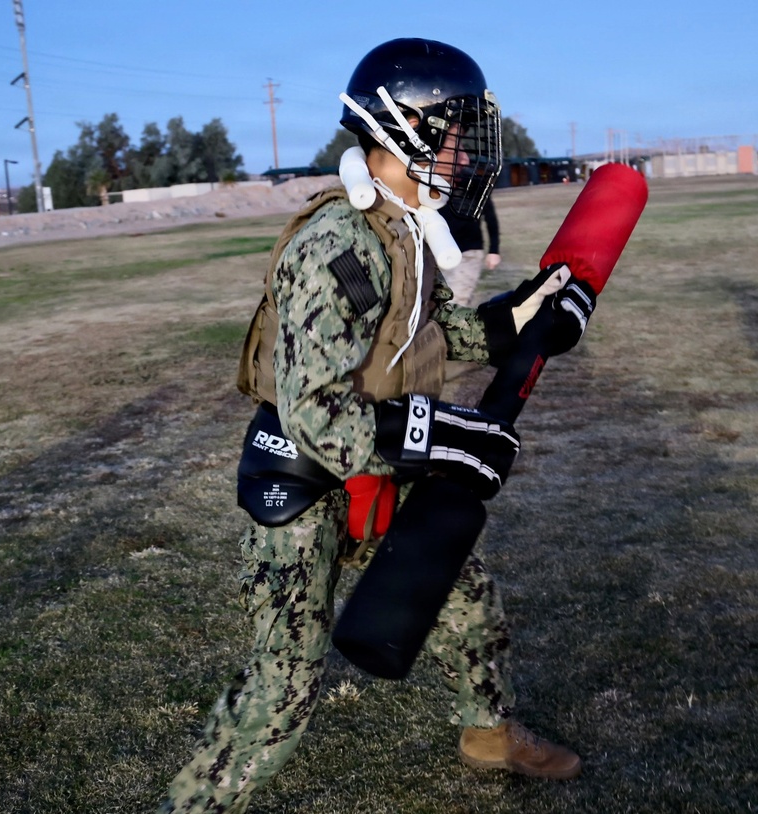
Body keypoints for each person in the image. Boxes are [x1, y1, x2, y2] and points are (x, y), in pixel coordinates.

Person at [158, 38, 593, 814]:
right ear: (405, 128)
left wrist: (522, 316)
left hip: (380, 463)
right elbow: (317, 412)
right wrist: (449, 437)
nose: (466, 152)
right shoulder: (340, 241)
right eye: (455, 130)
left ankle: (487, 734)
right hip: (305, 485)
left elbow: (423, 344)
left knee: (471, 602)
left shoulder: (405, 225)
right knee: (280, 691)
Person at [440, 195, 501, 305]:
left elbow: (490, 218)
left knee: (455, 302)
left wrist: (494, 250)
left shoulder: (475, 185)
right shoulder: (431, 184)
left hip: (469, 253)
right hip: (439, 253)